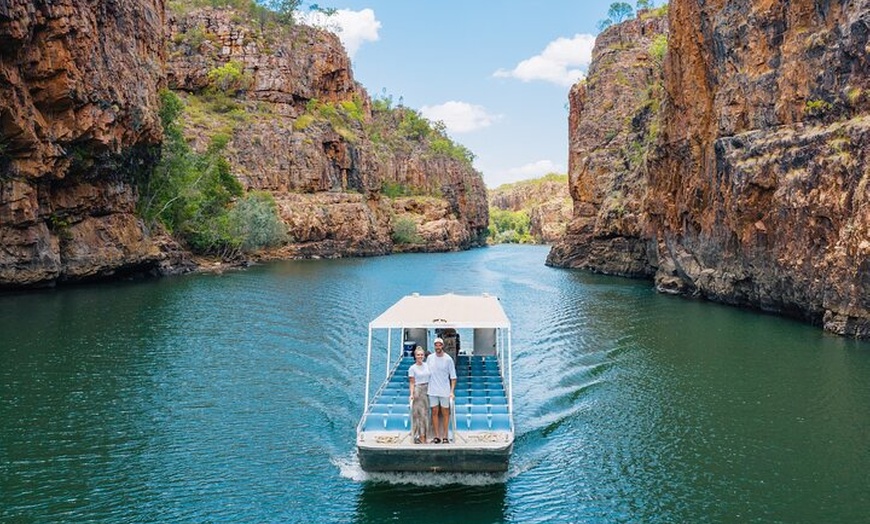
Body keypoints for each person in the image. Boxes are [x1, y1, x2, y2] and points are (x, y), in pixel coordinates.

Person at [426, 337, 456, 444]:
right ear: (434, 346)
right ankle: (437, 436)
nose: (438, 347)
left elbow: (453, 377)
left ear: (442, 346)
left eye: (439, 345)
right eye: (436, 345)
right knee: (434, 412)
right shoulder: (429, 358)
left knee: (445, 413)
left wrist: (452, 391)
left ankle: (445, 436)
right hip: (432, 390)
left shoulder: (448, 359)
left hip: (444, 391)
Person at [407, 346, 431, 444]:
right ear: (415, 356)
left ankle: (425, 435)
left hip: (428, 389)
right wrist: (411, 394)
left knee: (426, 413)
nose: (420, 356)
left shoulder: (427, 365)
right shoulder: (412, 368)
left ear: (424, 356)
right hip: (418, 390)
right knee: (419, 414)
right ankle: (420, 436)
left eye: (421, 355)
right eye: (418, 355)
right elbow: (412, 382)